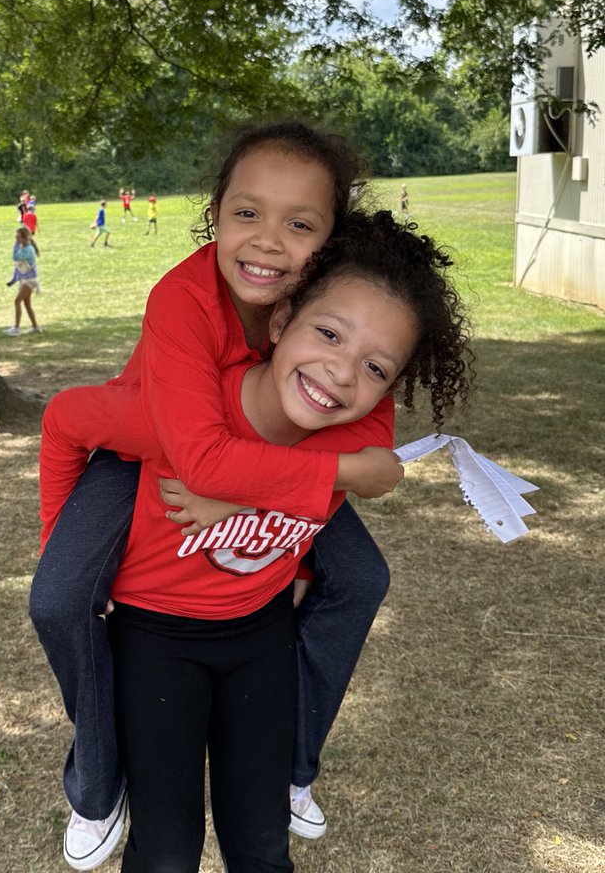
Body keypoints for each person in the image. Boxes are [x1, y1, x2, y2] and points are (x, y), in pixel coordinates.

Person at [40, 210, 473, 872]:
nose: (340, 373)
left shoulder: (351, 436)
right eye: (327, 333)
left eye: (376, 368)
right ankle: (97, 791)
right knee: (164, 851)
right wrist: (62, 549)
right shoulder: (179, 419)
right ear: (280, 323)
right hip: (155, 647)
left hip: (261, 643)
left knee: (264, 847)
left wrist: (251, 498)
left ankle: (297, 774)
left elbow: (344, 490)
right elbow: (67, 419)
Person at [5, 226, 41, 336]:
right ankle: (35, 327)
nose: (17, 240)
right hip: (25, 280)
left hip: (30, 280)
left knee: (17, 301)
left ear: (25, 238)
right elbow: (19, 268)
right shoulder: (24, 248)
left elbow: (15, 258)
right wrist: (13, 280)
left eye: (18, 237)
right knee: (27, 304)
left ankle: (16, 328)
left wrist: (16, 245)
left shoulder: (29, 250)